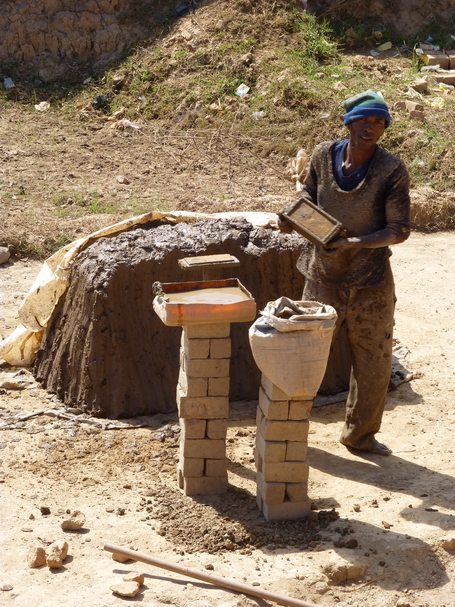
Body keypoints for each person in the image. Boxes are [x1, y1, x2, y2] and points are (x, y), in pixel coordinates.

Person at [280, 90, 411, 456]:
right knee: (304, 354)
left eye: (379, 122)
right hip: (321, 276)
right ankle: (288, 428)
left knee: (373, 357)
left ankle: (360, 435)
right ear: (349, 123)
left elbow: (399, 229)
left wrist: (355, 243)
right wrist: (293, 217)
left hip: (370, 281)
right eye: (364, 120)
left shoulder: (391, 169)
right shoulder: (323, 154)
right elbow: (307, 195)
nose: (371, 128)